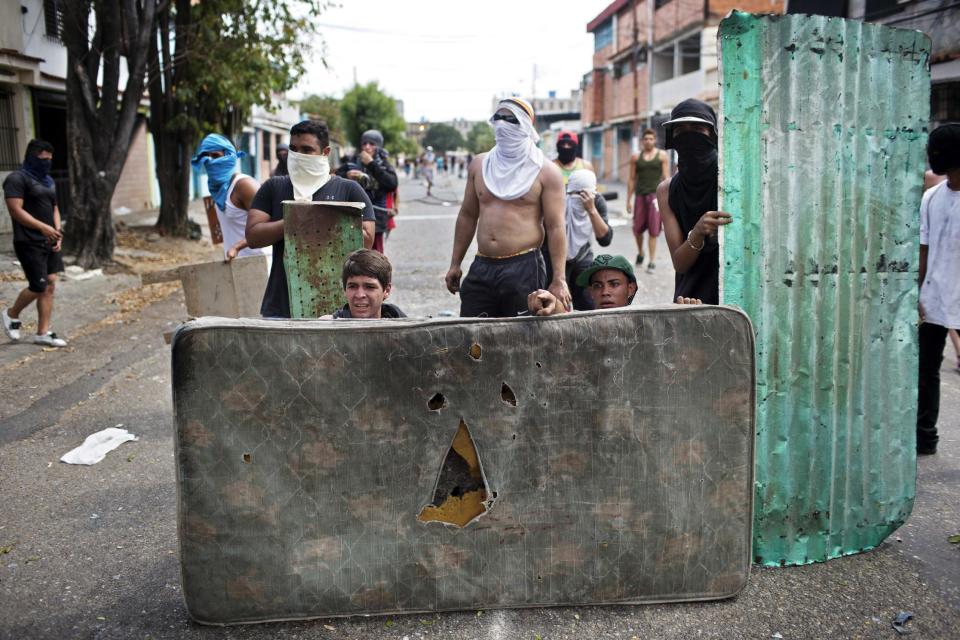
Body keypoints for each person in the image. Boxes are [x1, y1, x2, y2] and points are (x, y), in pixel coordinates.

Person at [446, 98, 571, 317]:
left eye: (511, 119)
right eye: (499, 118)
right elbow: (467, 215)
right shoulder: (480, 164)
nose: (503, 124)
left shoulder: (546, 172)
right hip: (482, 265)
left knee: (521, 339)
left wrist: (559, 279)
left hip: (524, 267)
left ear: (526, 125)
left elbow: (556, 227)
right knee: (473, 338)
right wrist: (455, 263)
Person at [246, 120, 375, 319]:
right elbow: (253, 236)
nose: (298, 156)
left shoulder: (348, 189)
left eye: (307, 150)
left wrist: (327, 218)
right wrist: (296, 219)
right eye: (293, 149)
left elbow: (366, 241)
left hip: (338, 308)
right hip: (282, 305)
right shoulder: (274, 187)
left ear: (325, 152)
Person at [657, 99, 733, 305]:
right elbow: (680, 263)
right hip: (690, 299)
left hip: (734, 292)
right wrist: (698, 233)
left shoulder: (732, 179)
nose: (690, 136)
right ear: (672, 138)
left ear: (712, 134)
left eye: (698, 128)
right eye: (681, 130)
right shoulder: (666, 190)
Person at [917, 123, 960, 456]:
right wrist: (917, 294)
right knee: (927, 369)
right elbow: (924, 249)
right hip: (934, 297)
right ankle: (925, 436)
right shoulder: (932, 198)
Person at [1, 139, 67, 348]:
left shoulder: (48, 181)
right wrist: (41, 227)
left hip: (49, 238)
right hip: (28, 241)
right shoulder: (16, 179)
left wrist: (56, 232)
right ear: (31, 157)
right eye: (42, 159)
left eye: (49, 159)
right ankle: (11, 314)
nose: (46, 163)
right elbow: (15, 210)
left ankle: (43, 332)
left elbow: (54, 206)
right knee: (38, 285)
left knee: (50, 284)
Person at [527, 253, 701, 316]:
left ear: (630, 288)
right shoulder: (585, 322)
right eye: (597, 285)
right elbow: (565, 315)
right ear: (590, 292)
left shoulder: (645, 320)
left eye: (614, 284)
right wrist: (549, 301)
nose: (605, 292)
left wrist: (689, 316)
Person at [542, 168, 612, 311]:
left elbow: (605, 239)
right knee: (555, 305)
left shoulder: (597, 201)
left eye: (585, 195)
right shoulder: (557, 199)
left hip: (582, 255)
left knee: (588, 303)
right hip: (553, 257)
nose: (580, 198)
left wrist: (591, 210)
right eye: (575, 194)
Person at [191, 134, 267, 262]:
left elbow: (266, 227)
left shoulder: (244, 186)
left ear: (229, 156)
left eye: (215, 156)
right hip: (235, 263)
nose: (209, 161)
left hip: (260, 263)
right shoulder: (217, 189)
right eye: (206, 157)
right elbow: (220, 232)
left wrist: (237, 247)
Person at [336, 130, 398, 253]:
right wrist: (347, 175)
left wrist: (371, 163)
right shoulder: (353, 161)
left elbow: (392, 184)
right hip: (354, 215)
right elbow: (336, 177)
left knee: (375, 254)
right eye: (364, 143)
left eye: (371, 144)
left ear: (378, 146)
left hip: (377, 217)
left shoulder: (383, 164)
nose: (367, 147)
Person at [627, 129, 670, 271]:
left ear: (655, 140)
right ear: (642, 141)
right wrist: (628, 200)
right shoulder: (635, 157)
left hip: (655, 198)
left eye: (651, 139)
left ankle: (651, 261)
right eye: (646, 139)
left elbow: (666, 179)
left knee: (653, 230)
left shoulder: (662, 155)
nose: (648, 141)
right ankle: (641, 253)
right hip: (640, 196)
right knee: (637, 229)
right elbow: (632, 179)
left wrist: (668, 200)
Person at [326, 249, 406, 319]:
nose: (360, 295)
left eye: (370, 287)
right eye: (352, 286)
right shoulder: (328, 328)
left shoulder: (404, 327)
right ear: (344, 290)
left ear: (387, 290)